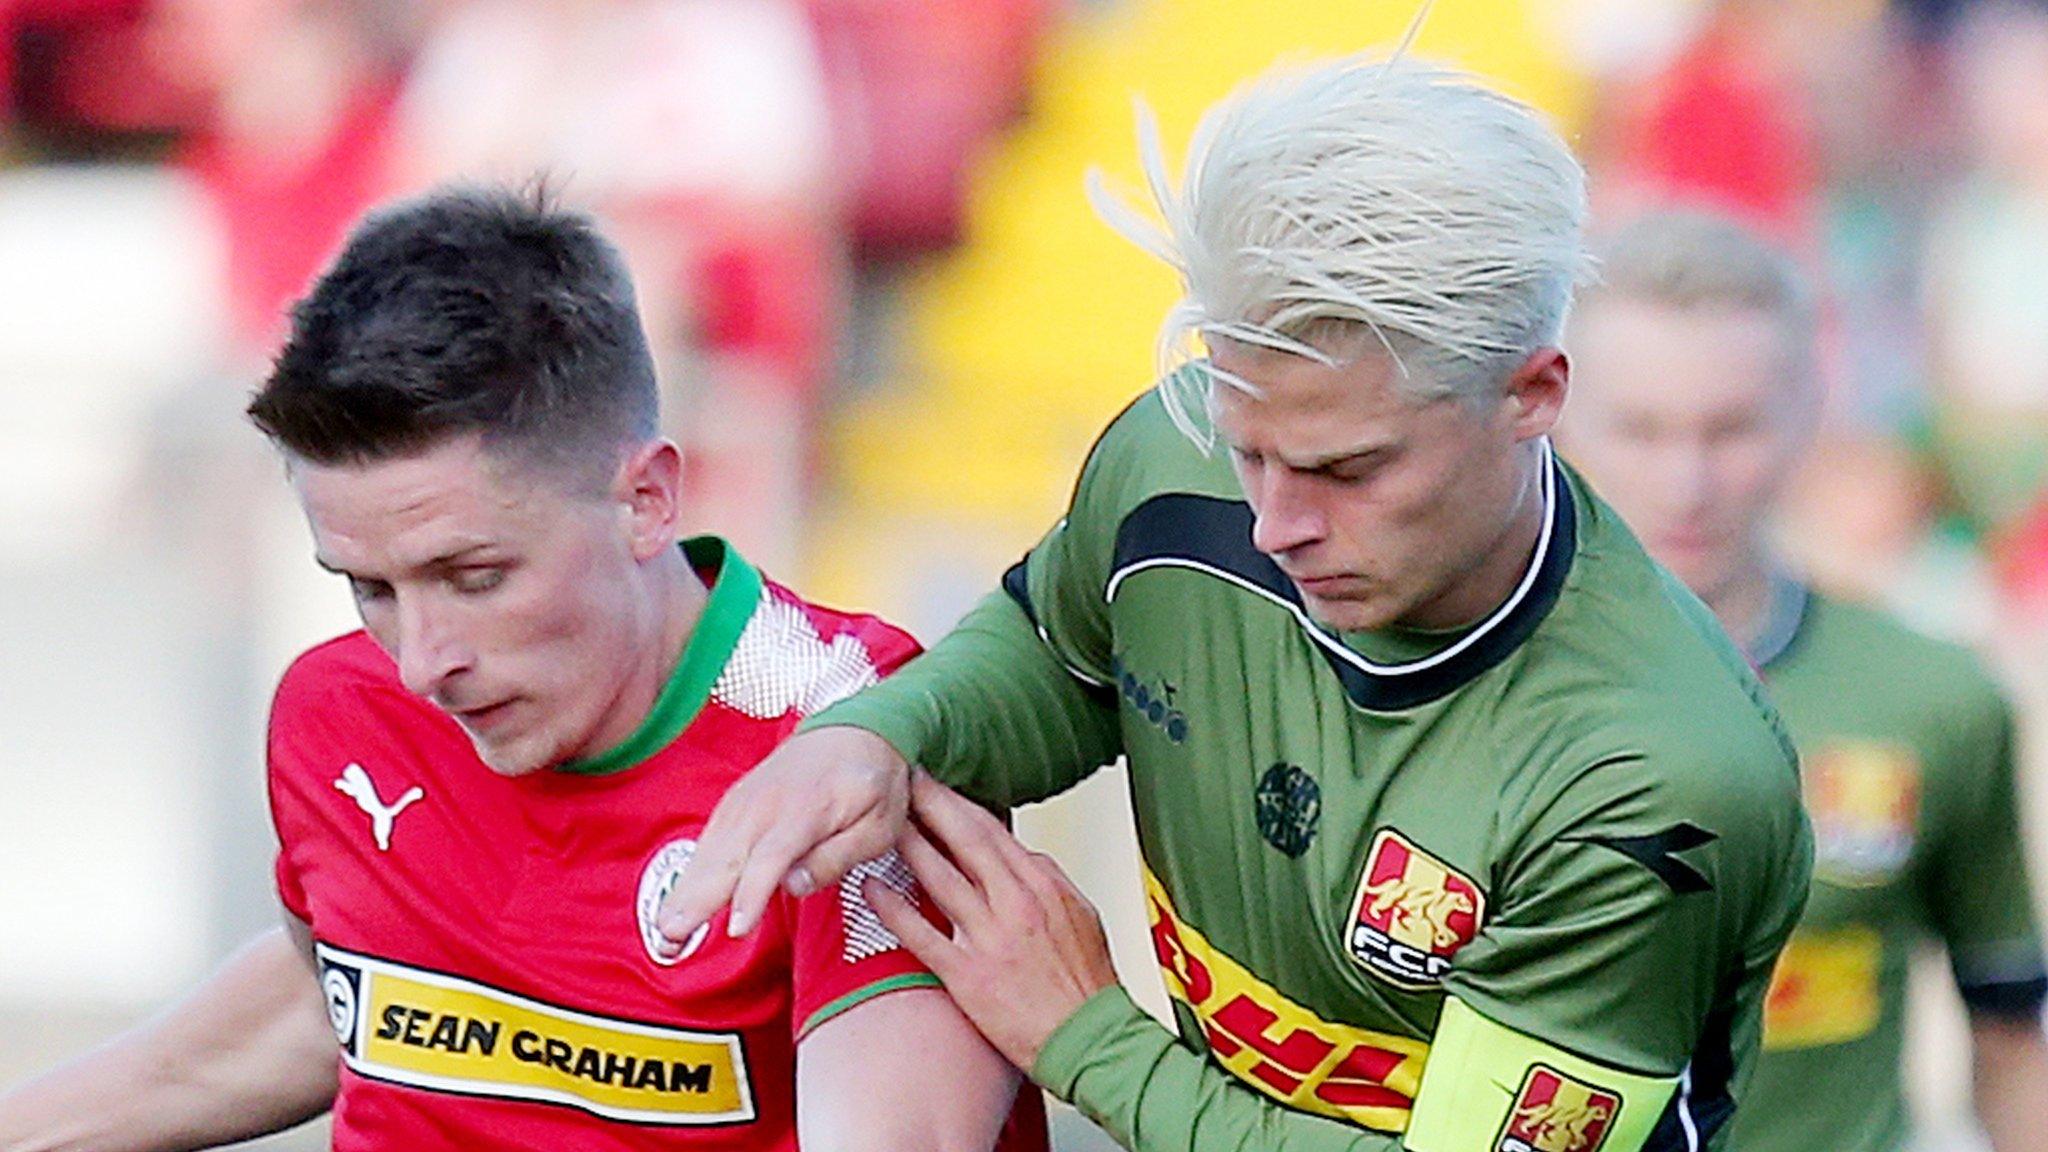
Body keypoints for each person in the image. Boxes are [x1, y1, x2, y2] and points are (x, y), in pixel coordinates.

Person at [657, 55, 1814, 1151]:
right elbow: (1061, 649)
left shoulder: (1656, 779)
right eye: (1247, 446)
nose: (1272, 522)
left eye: (1349, 470)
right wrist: (880, 732)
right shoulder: (1175, 458)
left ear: (1529, 393)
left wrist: (1087, 1039)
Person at [0, 185, 1038, 1152]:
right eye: (369, 586)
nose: (421, 662)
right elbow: (351, 998)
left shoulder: (849, 747)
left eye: (475, 575)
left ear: (646, 500)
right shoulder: (341, 710)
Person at [1558, 207, 2048, 1152]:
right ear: (1554, 408)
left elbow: (2009, 1028)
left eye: (1729, 429)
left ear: (1808, 412)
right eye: (1642, 430)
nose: (1687, 479)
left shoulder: (1935, 698)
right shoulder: (1465, 689)